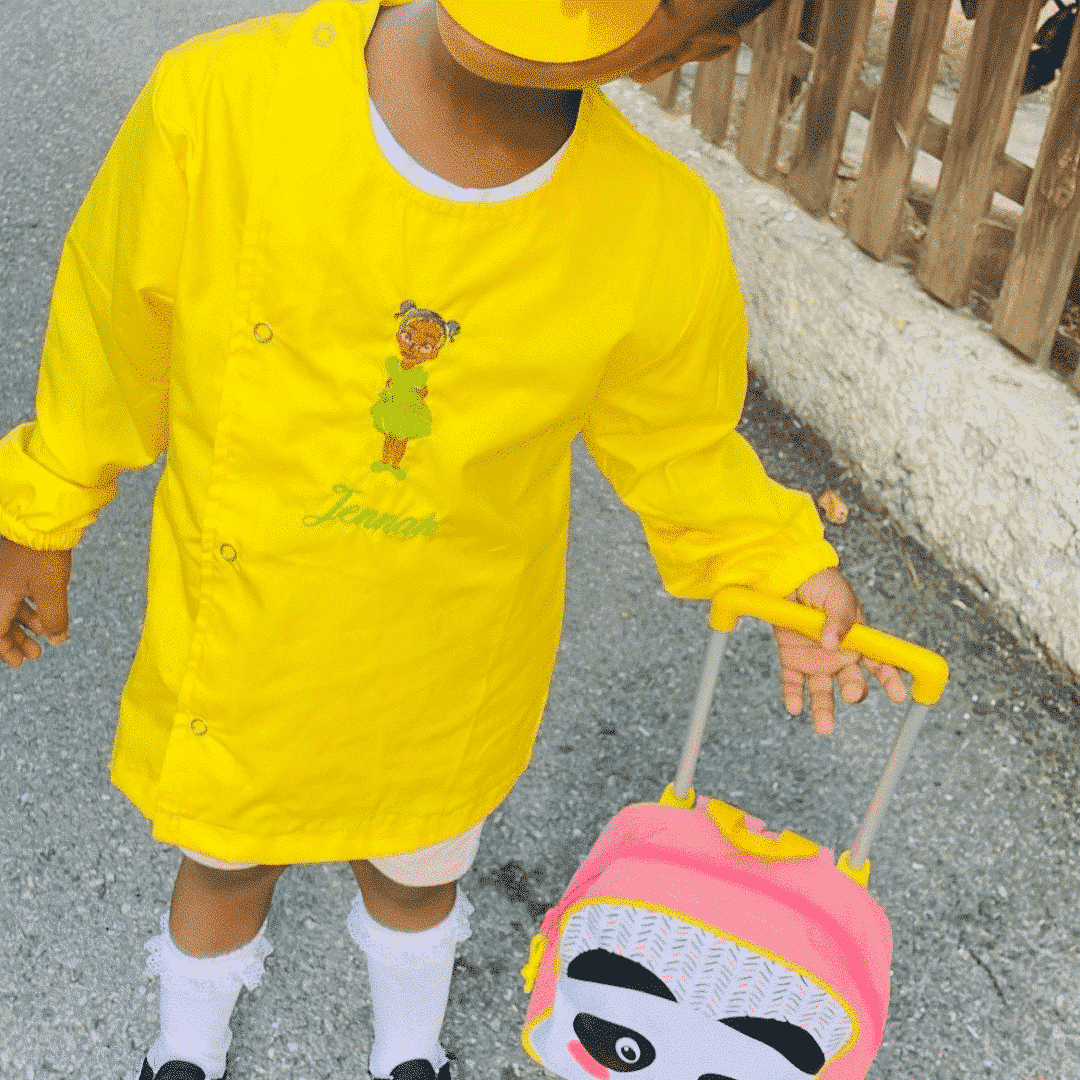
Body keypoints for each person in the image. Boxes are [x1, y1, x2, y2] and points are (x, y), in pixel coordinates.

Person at [0, 2, 908, 1079]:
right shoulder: (223, 102)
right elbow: (111, 327)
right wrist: (39, 512)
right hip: (246, 641)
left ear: (691, 47)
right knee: (227, 863)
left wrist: (781, 565)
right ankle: (185, 1043)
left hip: (448, 661)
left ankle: (408, 1045)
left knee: (417, 873)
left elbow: (680, 444)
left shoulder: (656, 224)